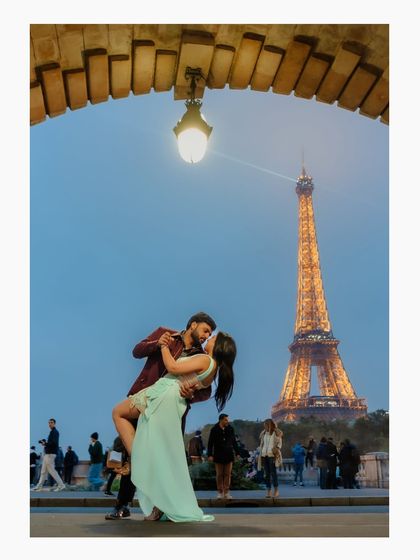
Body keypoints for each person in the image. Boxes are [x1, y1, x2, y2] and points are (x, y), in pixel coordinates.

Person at [112, 330, 236, 522]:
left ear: (218, 346)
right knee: (162, 454)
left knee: (119, 413)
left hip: (164, 395)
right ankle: (157, 498)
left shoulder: (205, 360)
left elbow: (172, 366)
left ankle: (139, 460)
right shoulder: (213, 370)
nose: (208, 337)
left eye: (212, 337)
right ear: (193, 325)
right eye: (207, 332)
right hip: (170, 399)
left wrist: (163, 346)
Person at [207, 413, 240, 500]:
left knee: (227, 474)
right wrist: (209, 454)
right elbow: (210, 443)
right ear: (221, 420)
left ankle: (226, 492)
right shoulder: (214, 429)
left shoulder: (230, 429)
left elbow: (234, 442)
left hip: (228, 454)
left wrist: (237, 453)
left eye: (227, 420)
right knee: (219, 475)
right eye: (226, 420)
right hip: (218, 454)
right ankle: (220, 492)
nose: (227, 421)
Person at [33, 418, 66, 491]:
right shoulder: (52, 432)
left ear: (54, 423)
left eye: (51, 422)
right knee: (43, 471)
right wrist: (45, 444)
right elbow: (51, 443)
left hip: (50, 454)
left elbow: (54, 443)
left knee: (51, 470)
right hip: (48, 454)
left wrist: (45, 443)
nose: (50, 424)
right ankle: (39, 486)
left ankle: (61, 485)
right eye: (49, 423)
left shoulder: (55, 432)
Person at [257, 419, 283, 498]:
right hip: (264, 455)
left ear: (270, 425)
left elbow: (279, 443)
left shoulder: (276, 433)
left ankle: (276, 491)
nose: (264, 426)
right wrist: (260, 453)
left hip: (272, 455)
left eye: (265, 425)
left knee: (273, 474)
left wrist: (276, 449)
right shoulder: (263, 433)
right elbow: (262, 444)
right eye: (264, 425)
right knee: (267, 475)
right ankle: (268, 491)